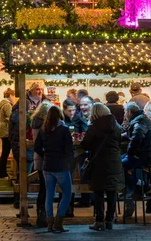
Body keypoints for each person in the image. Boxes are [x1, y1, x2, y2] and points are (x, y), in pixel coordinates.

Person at [81, 103, 125, 231]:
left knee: (99, 192)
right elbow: (120, 142)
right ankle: (109, 220)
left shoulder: (93, 127)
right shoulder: (116, 126)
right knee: (112, 192)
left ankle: (99, 221)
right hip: (114, 161)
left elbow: (85, 144)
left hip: (99, 162)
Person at [34, 105, 73, 233]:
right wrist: (68, 161)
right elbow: (69, 150)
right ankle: (58, 222)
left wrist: (45, 155)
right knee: (67, 194)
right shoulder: (64, 129)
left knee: (49, 195)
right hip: (60, 165)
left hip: (47, 165)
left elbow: (37, 147)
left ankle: (50, 222)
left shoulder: (44, 129)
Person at [122, 102, 151, 217]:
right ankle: (135, 189)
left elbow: (138, 136)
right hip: (146, 154)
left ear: (129, 112)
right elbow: (134, 134)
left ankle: (140, 184)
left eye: (125, 112)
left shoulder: (139, 121)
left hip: (143, 156)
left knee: (117, 167)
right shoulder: (141, 119)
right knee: (118, 162)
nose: (125, 114)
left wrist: (130, 153)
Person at [31, 100, 52, 227]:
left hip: (38, 157)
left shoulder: (35, 121)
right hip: (45, 158)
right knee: (45, 188)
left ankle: (41, 214)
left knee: (43, 187)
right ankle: (43, 215)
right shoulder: (44, 124)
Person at [74, 95, 93, 208]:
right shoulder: (77, 117)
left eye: (85, 104)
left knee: (95, 174)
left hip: (96, 151)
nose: (83, 107)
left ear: (91, 105)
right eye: (81, 105)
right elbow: (75, 131)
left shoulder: (97, 117)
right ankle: (85, 200)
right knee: (83, 174)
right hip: (82, 151)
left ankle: (94, 199)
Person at [0, 88, 15, 180]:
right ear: (10, 96)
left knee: (5, 152)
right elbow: (10, 118)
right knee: (5, 153)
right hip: (7, 131)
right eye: (13, 96)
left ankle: (2, 173)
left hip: (3, 130)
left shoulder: (3, 104)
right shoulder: (8, 105)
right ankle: (2, 174)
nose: (14, 98)